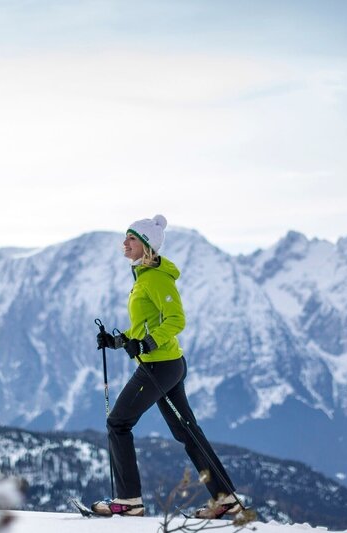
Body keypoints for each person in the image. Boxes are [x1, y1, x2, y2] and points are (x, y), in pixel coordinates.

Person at [90, 214, 242, 519]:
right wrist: (118, 341)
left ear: (146, 245)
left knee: (118, 423)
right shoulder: (144, 277)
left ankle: (129, 501)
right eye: (126, 237)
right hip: (165, 364)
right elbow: (145, 324)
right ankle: (225, 498)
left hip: (159, 367)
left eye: (131, 238)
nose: (125, 243)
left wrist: (146, 344)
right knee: (187, 431)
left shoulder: (156, 279)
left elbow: (176, 320)